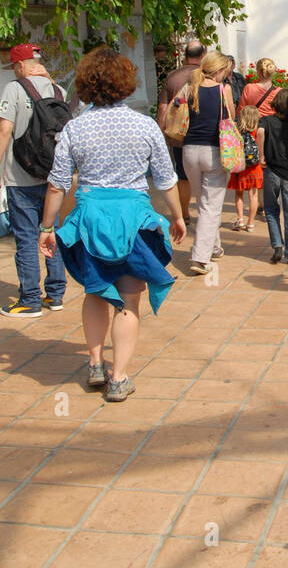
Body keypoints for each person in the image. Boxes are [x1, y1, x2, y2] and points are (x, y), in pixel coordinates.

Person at [38, 47, 185, 402]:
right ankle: (119, 377)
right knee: (128, 301)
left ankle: (94, 364)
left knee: (94, 291)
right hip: (133, 222)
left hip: (90, 221)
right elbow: (166, 178)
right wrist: (178, 216)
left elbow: (58, 183)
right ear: (126, 84)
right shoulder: (145, 125)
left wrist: (46, 228)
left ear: (86, 85)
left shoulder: (75, 128)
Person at [0, 42, 69, 317]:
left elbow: (4, 130)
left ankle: (30, 300)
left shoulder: (15, 88)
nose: (13, 70)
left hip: (21, 177)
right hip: (52, 179)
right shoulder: (59, 90)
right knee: (51, 232)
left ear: (21, 65)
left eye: (14, 66)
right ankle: (56, 294)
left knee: (25, 238)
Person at [182, 52, 235, 274]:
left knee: (203, 202)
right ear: (220, 70)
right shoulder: (223, 90)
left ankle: (214, 247)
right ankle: (200, 258)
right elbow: (231, 116)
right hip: (214, 151)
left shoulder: (189, 87)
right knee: (210, 206)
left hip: (189, 150)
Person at [156, 39, 205, 222]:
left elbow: (162, 109)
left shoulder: (172, 77)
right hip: (204, 135)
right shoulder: (206, 76)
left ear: (185, 55)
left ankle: (184, 213)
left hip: (179, 135)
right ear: (202, 55)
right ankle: (204, 214)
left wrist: (162, 133)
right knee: (204, 177)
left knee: (183, 176)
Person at [257, 87, 288, 265]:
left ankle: (277, 245)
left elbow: (259, 133)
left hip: (271, 171)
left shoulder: (266, 121)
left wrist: (261, 156)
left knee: (270, 209)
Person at [229, 105, 262, 230]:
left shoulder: (237, 131)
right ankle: (251, 223)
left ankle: (240, 219)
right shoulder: (258, 130)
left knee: (239, 194)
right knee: (253, 196)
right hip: (254, 167)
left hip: (240, 167)